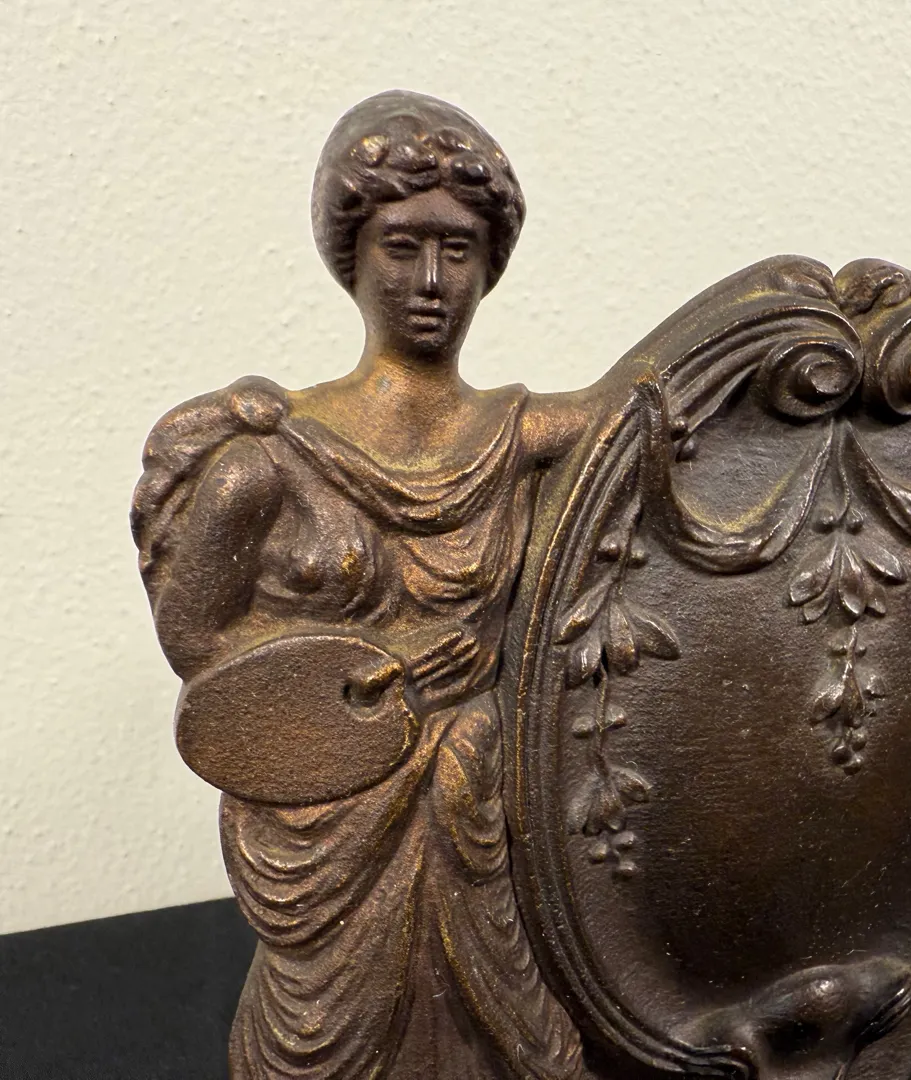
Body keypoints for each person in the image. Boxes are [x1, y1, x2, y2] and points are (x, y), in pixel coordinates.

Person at [131, 90, 617, 1080]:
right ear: (350, 254)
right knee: (322, 1041)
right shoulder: (270, 461)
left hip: (480, 809)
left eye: (459, 250)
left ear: (491, 264)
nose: (432, 281)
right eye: (403, 246)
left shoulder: (524, 438)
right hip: (325, 825)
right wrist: (361, 680)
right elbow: (200, 653)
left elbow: (655, 408)